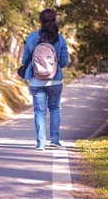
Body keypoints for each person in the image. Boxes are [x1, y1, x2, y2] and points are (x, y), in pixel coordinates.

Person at [21, 9, 69, 151]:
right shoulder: (60, 38)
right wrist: (53, 68)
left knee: (39, 111)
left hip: (36, 81)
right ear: (54, 20)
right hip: (55, 80)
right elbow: (64, 61)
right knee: (55, 108)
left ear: (40, 22)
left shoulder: (32, 37)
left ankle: (41, 143)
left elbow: (25, 60)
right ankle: (54, 139)